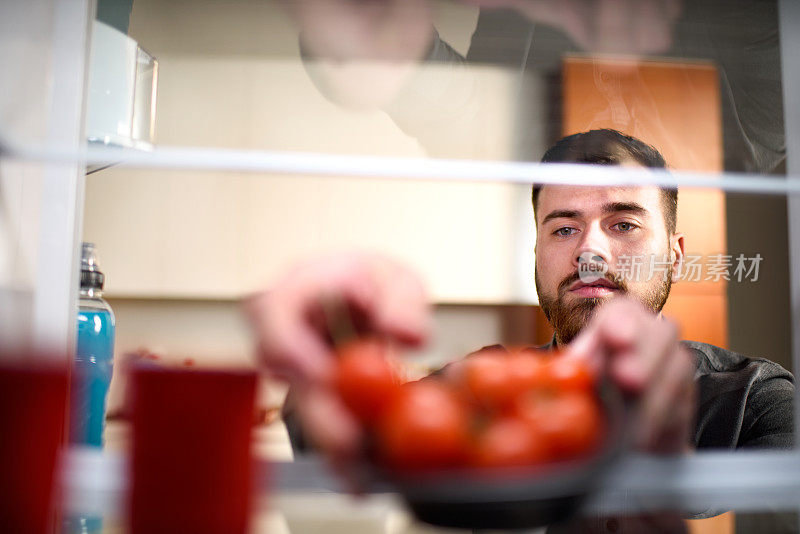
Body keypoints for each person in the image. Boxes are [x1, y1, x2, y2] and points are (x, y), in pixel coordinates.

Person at [246, 129, 793, 465]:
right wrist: (334, 345)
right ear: (536, 255)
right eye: (562, 229)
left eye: (623, 224)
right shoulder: (480, 390)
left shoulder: (754, 398)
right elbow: (342, 449)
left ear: (675, 254)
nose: (591, 254)